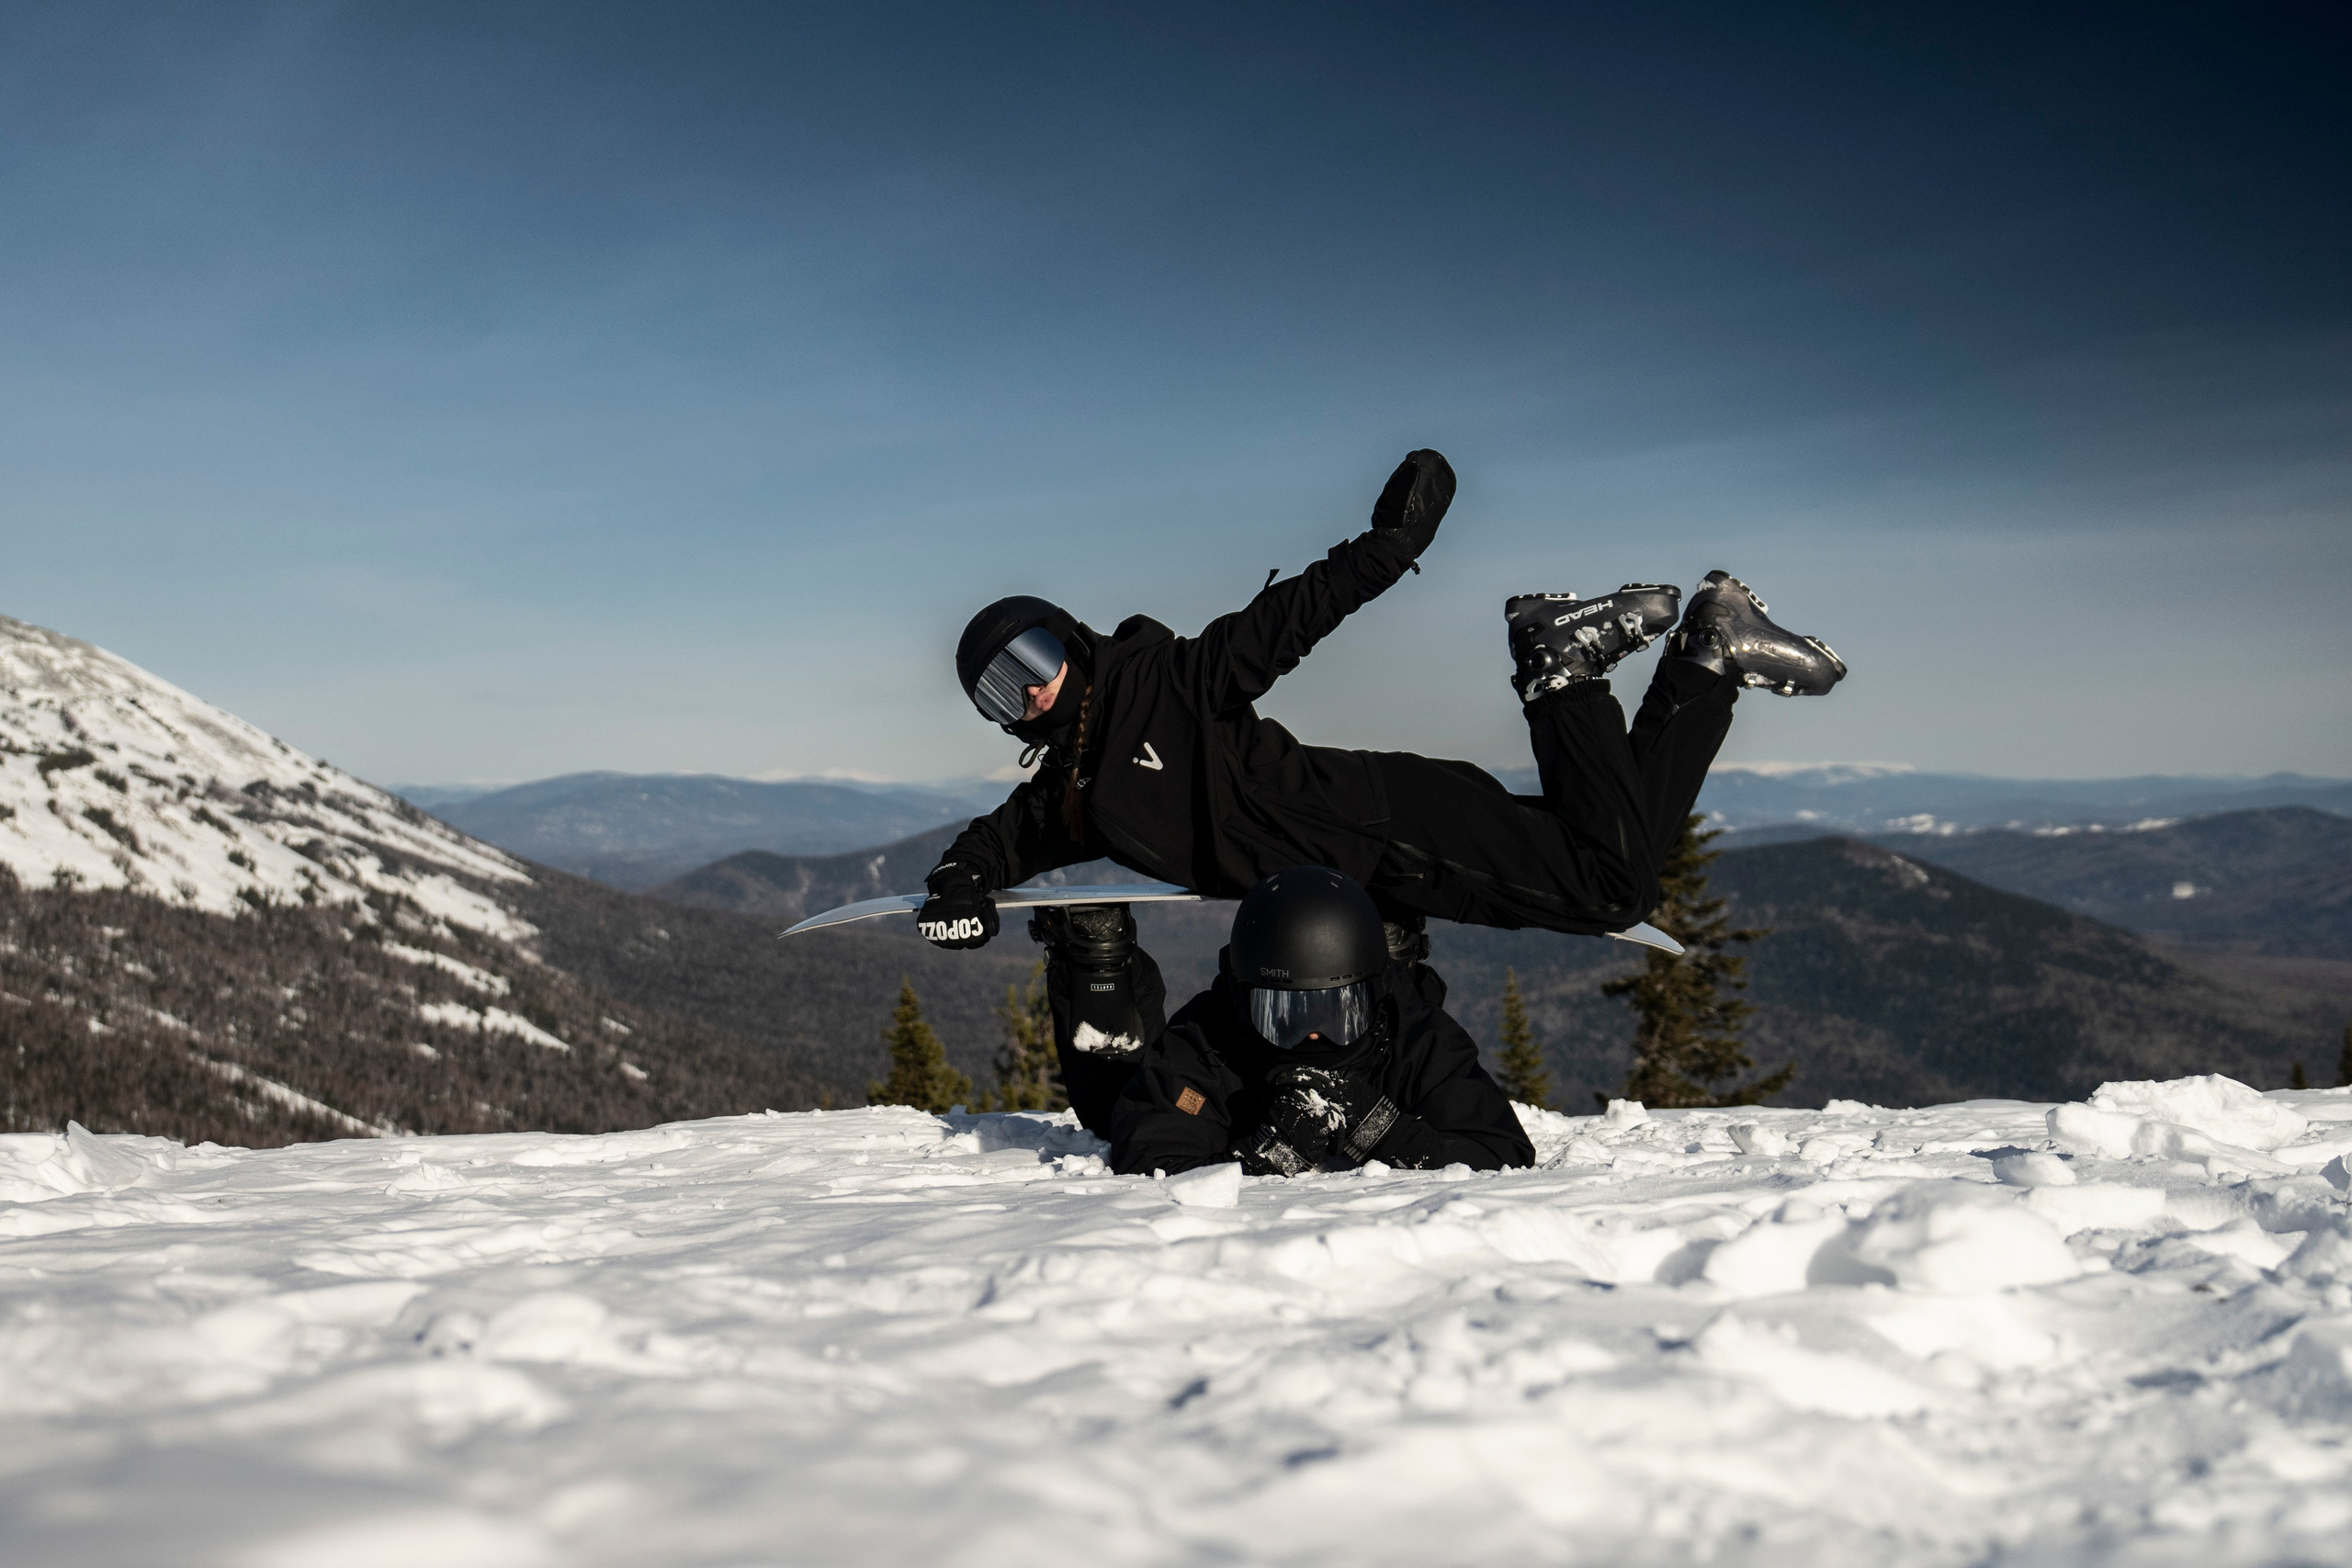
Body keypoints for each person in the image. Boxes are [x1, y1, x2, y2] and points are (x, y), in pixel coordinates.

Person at [916, 448, 1843, 968]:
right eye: (1001, 688)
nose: (1030, 687)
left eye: (1031, 657)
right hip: (1383, 858)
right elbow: (1000, 840)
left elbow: (1284, 620)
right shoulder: (1072, 793)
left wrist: (1388, 547)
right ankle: (1708, 656)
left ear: (1068, 640)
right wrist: (960, 884)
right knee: (1618, 852)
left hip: (1387, 830)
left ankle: (1566, 671)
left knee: (1612, 886)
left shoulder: (1163, 680)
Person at [1107, 866, 1533, 1176]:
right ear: (1244, 998)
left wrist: (1383, 1130)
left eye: (1338, 1011)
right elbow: (1151, 1164)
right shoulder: (1207, 1044)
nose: (1313, 1034)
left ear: (1376, 994)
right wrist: (1267, 1158)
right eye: (1285, 1015)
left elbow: (1501, 1153)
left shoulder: (1413, 1037)